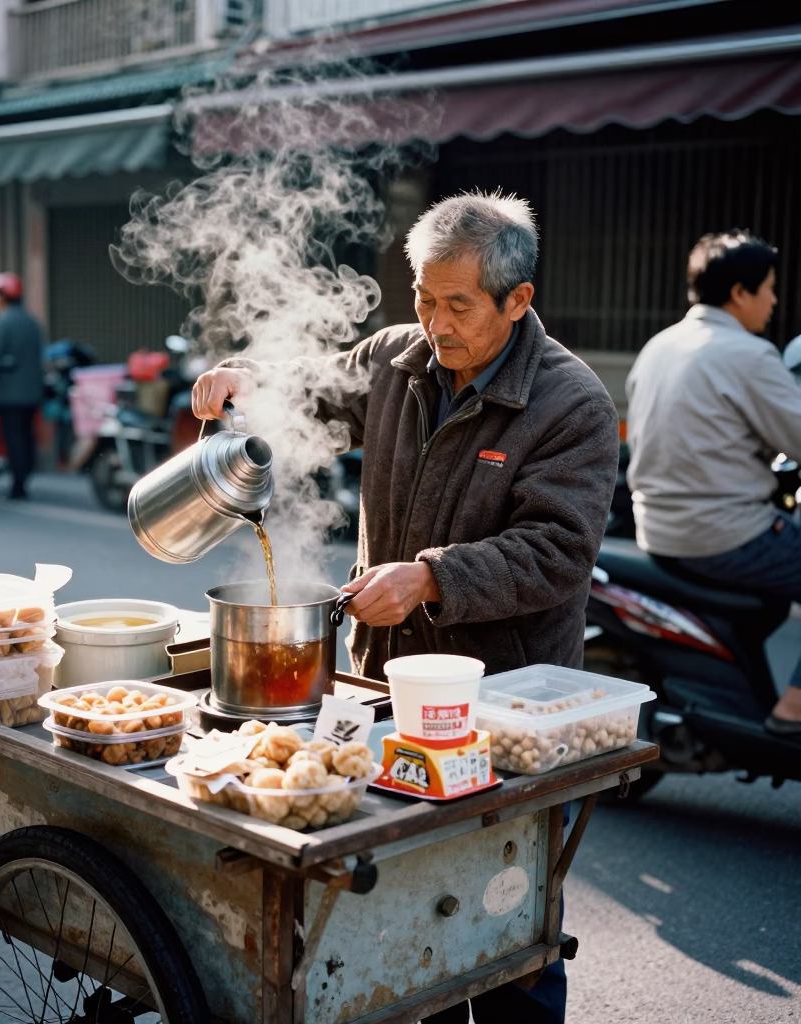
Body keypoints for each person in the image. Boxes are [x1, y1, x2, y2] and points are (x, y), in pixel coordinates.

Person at [193, 191, 621, 1024]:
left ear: (517, 300)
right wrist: (251, 380)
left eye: (458, 304)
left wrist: (428, 577)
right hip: (383, 694)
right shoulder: (399, 357)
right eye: (423, 297)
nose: (434, 321)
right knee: (393, 930)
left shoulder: (572, 405)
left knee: (504, 936)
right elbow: (314, 394)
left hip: (502, 711)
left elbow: (558, 551)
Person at [626, 230, 801, 735]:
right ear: (741, 293)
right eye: (768, 288)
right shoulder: (749, 353)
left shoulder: (659, 346)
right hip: (726, 535)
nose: (773, 300)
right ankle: (794, 708)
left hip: (658, 531)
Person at [0, 272, 45, 499]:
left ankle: (18, 486)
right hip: (32, 393)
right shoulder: (31, 322)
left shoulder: (1, 322)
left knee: (14, 438)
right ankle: (24, 478)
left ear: (2, 296)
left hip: (9, 393)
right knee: (26, 435)